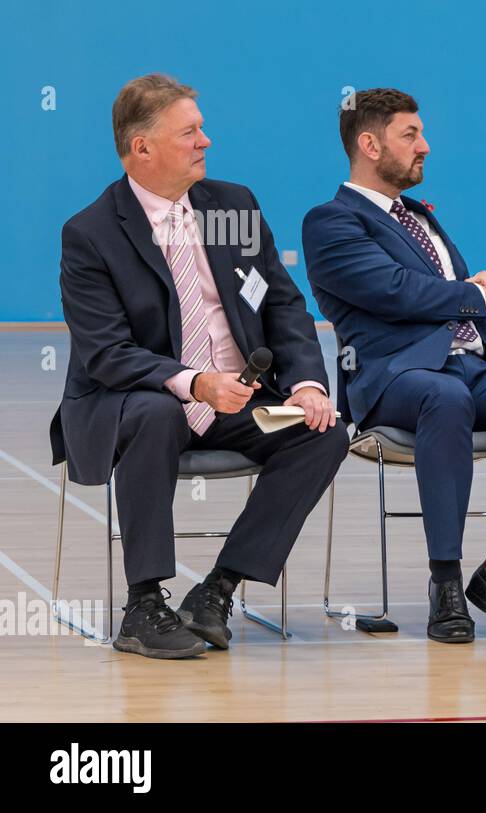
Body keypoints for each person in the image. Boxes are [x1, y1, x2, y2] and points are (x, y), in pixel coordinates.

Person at [52, 74, 348, 659]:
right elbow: (108, 353)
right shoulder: (90, 234)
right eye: (189, 132)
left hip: (239, 403)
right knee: (160, 412)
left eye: (201, 129)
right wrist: (196, 384)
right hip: (133, 400)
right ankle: (143, 605)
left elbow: (282, 302)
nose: (205, 142)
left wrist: (308, 385)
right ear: (142, 148)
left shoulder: (230, 206)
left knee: (322, 433)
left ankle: (217, 590)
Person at [302, 88, 486, 644]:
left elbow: (441, 291)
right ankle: (446, 583)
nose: (424, 146)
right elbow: (396, 292)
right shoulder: (330, 221)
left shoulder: (421, 217)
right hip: (394, 377)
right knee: (445, 399)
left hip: (470, 365)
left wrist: (477, 288)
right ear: (369, 144)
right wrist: (476, 291)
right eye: (411, 135)